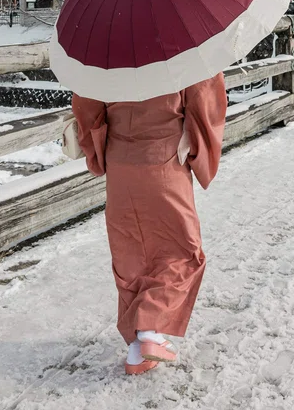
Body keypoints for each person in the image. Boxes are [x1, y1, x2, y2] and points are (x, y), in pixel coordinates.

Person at [71, 74, 227, 375]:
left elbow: (87, 106)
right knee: (182, 250)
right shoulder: (181, 46)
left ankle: (136, 351)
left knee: (130, 252)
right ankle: (150, 333)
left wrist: (99, 150)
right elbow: (204, 99)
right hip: (164, 159)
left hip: (121, 164)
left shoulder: (106, 49)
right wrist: (195, 145)